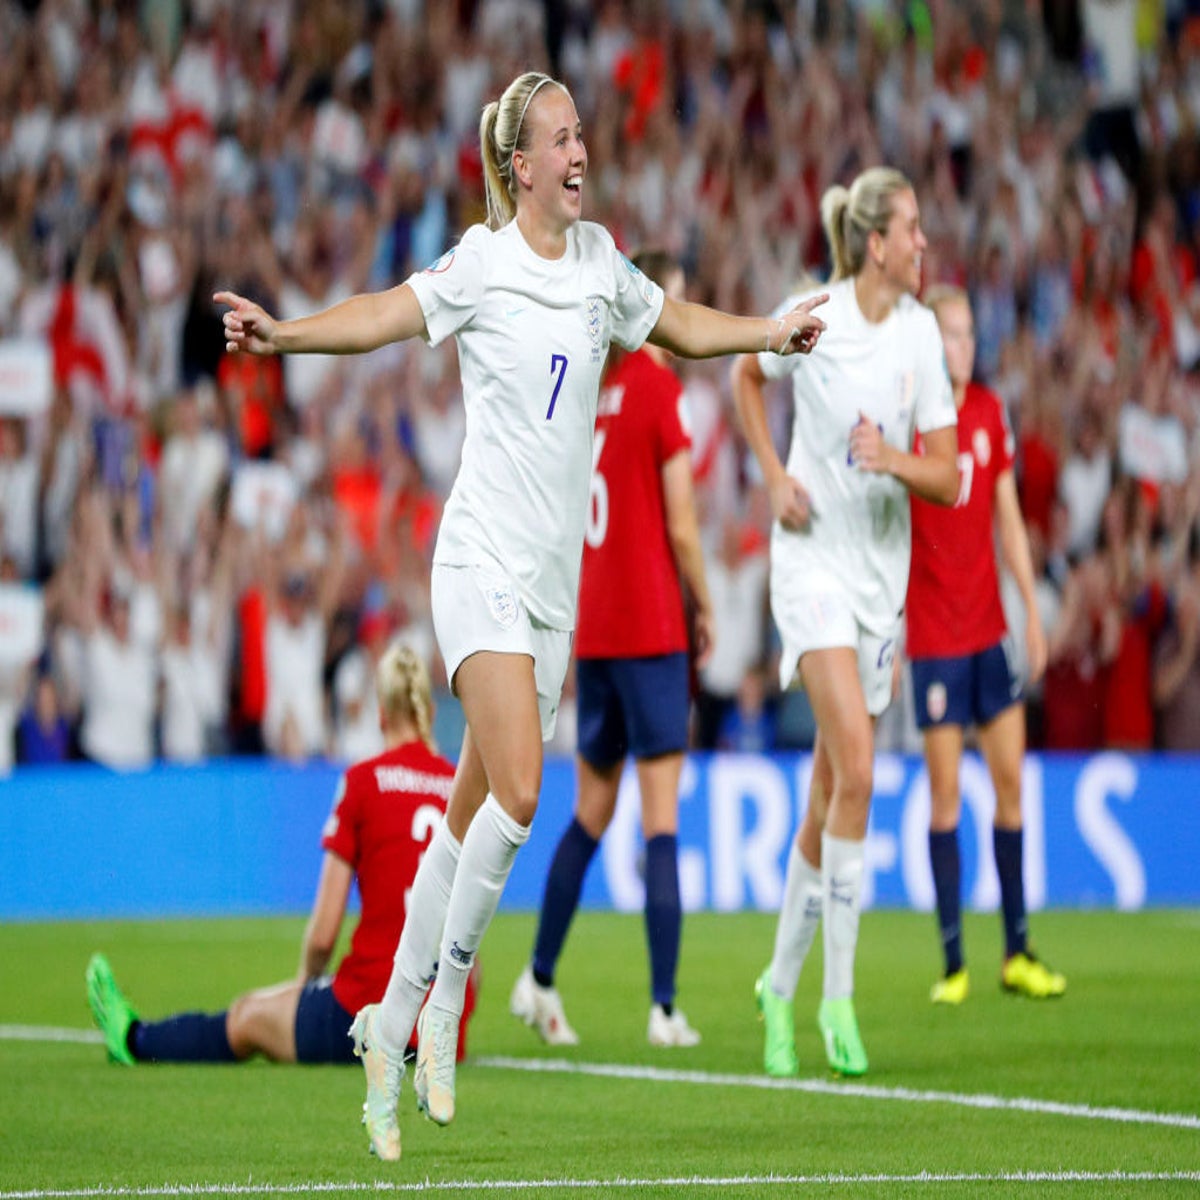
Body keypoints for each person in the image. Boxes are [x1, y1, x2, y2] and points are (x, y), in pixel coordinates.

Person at [215, 69, 826, 1161]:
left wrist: (770, 335)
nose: (580, 149)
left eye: (582, 132)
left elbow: (679, 325)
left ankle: (388, 1022)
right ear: (519, 167)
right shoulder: (482, 263)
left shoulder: (599, 267)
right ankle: (446, 999)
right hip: (479, 561)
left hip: (552, 595)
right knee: (524, 789)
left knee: (468, 816)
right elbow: (383, 318)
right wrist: (284, 337)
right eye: (560, 137)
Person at [730, 167, 959, 1079]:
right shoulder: (812, 314)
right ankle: (836, 1001)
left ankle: (776, 990)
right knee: (860, 767)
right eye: (913, 231)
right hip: (812, 565)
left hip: (879, 583)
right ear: (876, 243)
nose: (923, 246)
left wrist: (890, 457)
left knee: (831, 789)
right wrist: (771, 475)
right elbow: (748, 376)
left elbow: (946, 476)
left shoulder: (921, 338)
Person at [83, 641, 476, 1066]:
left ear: (381, 711)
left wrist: (306, 986)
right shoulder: (458, 788)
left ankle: (133, 1038)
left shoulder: (364, 782)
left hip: (372, 1008)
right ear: (430, 712)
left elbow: (325, 933)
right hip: (441, 1029)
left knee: (248, 1016)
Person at [508, 248, 714, 1051]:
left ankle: (539, 977)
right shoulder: (663, 393)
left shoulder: (588, 392)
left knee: (590, 814)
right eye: (680, 304)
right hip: (654, 629)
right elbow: (684, 524)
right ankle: (664, 1008)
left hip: (592, 633)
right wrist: (704, 604)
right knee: (658, 820)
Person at [908, 286, 1066, 1006]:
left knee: (1009, 785)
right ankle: (951, 964)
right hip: (935, 637)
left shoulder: (989, 413)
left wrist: (1030, 611)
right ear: (931, 342)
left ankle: (1016, 950)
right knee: (945, 797)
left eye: (970, 334)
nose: (963, 347)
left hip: (988, 633)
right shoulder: (913, 417)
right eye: (951, 334)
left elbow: (1009, 522)